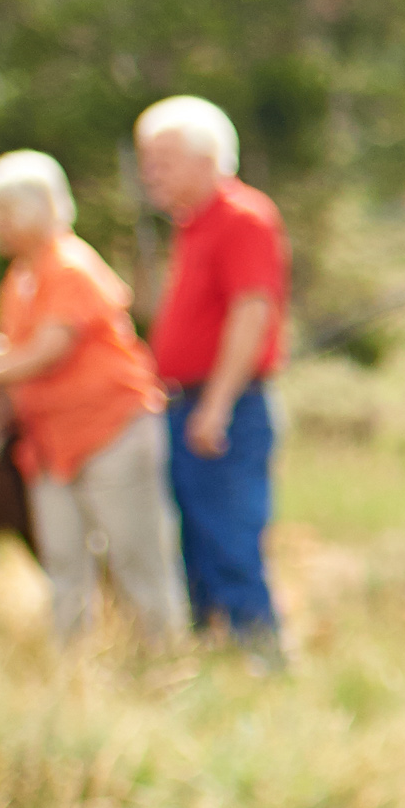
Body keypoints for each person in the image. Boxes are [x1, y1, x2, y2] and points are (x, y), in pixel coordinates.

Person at [0, 148, 183, 646]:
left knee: (136, 556)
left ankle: (162, 656)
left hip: (110, 430)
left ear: (38, 210)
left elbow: (49, 349)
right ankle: (73, 664)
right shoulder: (19, 277)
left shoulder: (70, 266)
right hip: (49, 443)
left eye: (4, 213)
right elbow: (24, 347)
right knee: (63, 561)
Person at [136, 94, 291, 651]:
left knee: (230, 537)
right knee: (195, 538)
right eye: (147, 160)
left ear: (208, 159)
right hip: (185, 403)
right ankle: (214, 652)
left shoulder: (243, 217)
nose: (151, 173)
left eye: (164, 159)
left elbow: (252, 311)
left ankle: (260, 655)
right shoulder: (191, 225)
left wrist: (216, 404)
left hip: (226, 406)